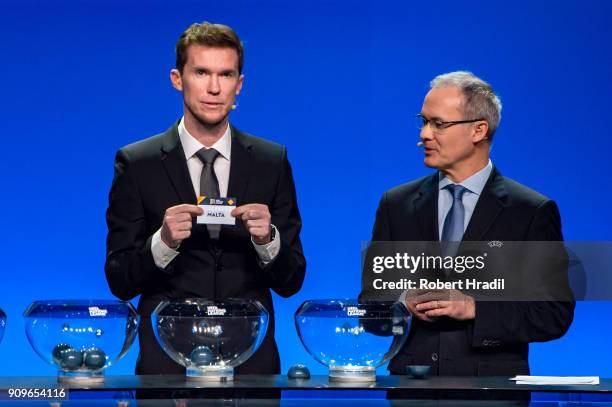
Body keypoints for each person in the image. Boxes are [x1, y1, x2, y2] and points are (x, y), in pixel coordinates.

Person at [104, 22, 306, 375]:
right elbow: (119, 280)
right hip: (167, 367)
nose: (214, 88)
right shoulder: (138, 163)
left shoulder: (271, 161)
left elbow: (292, 282)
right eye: (201, 72)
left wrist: (267, 240)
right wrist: (163, 242)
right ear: (177, 79)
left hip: (251, 367)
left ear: (239, 85)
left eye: (225, 75)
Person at [361, 71, 574, 377]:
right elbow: (370, 308)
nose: (424, 135)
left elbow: (554, 314)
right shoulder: (396, 205)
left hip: (491, 394)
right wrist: (403, 303)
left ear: (478, 130)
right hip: (412, 391)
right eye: (423, 122)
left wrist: (473, 308)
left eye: (439, 124)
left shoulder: (530, 211)